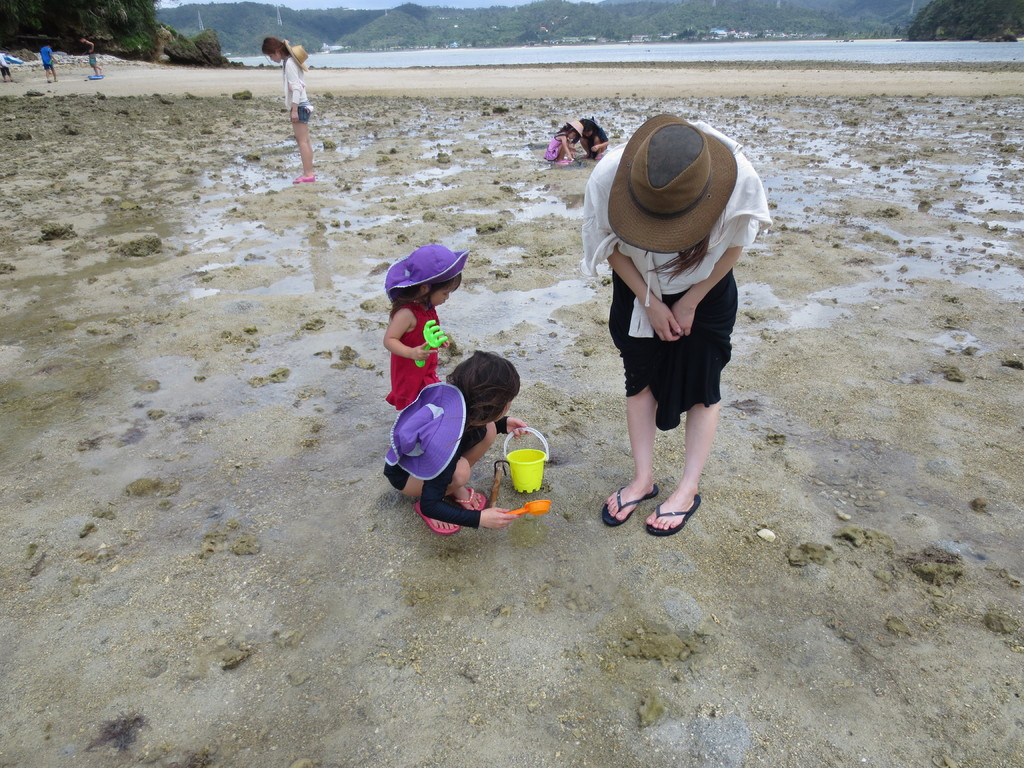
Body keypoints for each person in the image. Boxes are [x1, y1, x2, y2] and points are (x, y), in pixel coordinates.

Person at [581, 114, 771, 536]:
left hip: (707, 287)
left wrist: (689, 302)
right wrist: (648, 301)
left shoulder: (739, 176)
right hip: (637, 286)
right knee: (639, 378)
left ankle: (687, 487)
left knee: (704, 383)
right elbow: (608, 245)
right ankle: (642, 479)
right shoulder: (607, 177)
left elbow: (735, 246)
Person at [384, 351, 528, 535]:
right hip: (406, 477)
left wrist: (501, 423)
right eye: (508, 402)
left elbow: (476, 424)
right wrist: (480, 519)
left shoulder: (462, 402)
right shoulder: (445, 441)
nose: (509, 405)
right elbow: (431, 505)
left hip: (429, 460)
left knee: (490, 429)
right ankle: (445, 491)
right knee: (460, 472)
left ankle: (450, 487)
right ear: (493, 407)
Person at [383, 244, 467, 410]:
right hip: (410, 374)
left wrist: (438, 340)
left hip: (426, 369)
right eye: (445, 292)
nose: (447, 298)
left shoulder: (428, 308)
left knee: (429, 402)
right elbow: (389, 340)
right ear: (424, 288)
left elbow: (425, 331)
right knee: (414, 406)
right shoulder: (406, 314)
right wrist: (411, 352)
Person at [261, 36, 315, 184]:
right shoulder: (291, 61)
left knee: (302, 141)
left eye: (271, 55)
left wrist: (294, 110)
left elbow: (296, 88)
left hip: (300, 105)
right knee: (305, 141)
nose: (271, 59)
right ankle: (309, 172)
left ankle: (308, 173)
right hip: (303, 104)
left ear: (277, 51)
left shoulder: (290, 63)